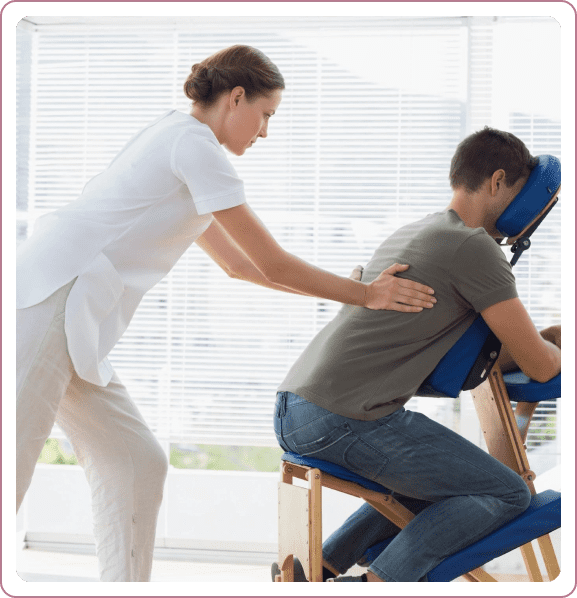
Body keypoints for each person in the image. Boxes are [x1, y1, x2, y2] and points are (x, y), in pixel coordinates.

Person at [15, 45, 437, 583]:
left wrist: (354, 289)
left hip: (75, 318)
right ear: (236, 98)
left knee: (137, 461)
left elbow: (241, 266)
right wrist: (367, 296)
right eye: (265, 116)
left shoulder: (179, 140)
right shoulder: (194, 145)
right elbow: (271, 261)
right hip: (48, 300)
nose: (264, 133)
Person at [271, 127, 562, 583]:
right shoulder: (475, 246)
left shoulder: (420, 229)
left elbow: (459, 348)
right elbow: (542, 365)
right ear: (499, 181)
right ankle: (375, 586)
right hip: (345, 416)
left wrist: (536, 339)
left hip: (299, 406)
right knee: (507, 494)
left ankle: (315, 570)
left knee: (451, 480)